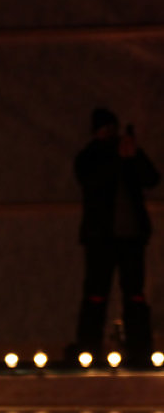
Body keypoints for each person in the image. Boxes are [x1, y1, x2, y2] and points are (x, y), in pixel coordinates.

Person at [73, 107, 160, 367]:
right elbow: (91, 180)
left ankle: (140, 350)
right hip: (101, 238)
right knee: (96, 295)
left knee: (135, 296)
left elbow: (152, 178)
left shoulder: (128, 153)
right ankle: (88, 349)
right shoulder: (89, 156)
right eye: (105, 129)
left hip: (131, 237)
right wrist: (117, 158)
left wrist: (133, 156)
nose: (110, 133)